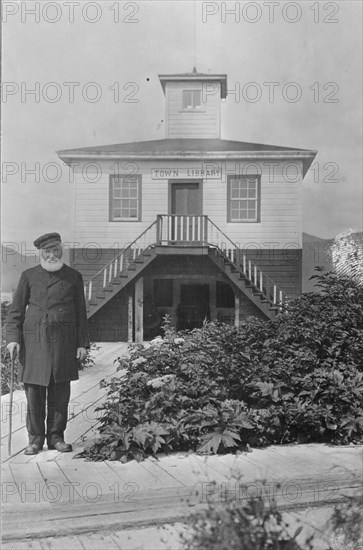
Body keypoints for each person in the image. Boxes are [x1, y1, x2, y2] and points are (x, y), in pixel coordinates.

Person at [6, 232, 89, 455]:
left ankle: (56, 437)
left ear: (61, 250)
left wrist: (82, 343)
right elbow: (15, 312)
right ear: (40, 253)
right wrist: (13, 339)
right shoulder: (29, 276)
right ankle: (35, 440)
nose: (52, 255)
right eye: (47, 251)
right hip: (34, 343)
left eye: (55, 250)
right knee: (34, 392)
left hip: (63, 343)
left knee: (60, 393)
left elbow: (81, 313)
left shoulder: (73, 276)